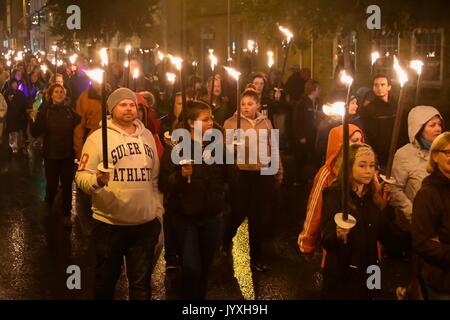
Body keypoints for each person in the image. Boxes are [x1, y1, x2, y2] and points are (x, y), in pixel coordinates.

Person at [75, 88, 163, 300]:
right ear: (112, 109)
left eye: (132, 105)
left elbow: (154, 178)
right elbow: (81, 177)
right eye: (123, 104)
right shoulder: (98, 137)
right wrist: (96, 180)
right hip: (109, 225)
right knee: (105, 283)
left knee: (141, 286)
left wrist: (157, 211)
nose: (129, 109)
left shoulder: (148, 137)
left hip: (144, 225)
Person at [159, 100, 233, 299]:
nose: (211, 123)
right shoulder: (177, 146)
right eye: (206, 119)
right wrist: (181, 175)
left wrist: (233, 154)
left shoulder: (217, 144)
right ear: (191, 123)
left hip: (212, 216)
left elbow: (228, 177)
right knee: (192, 268)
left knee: (205, 269)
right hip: (186, 216)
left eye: (211, 118)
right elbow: (164, 184)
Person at [222, 85, 283, 272]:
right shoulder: (231, 123)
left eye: (250, 104)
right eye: (243, 104)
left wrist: (278, 170)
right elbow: (224, 150)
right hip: (242, 173)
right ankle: (226, 241)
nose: (246, 107)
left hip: (262, 173)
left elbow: (273, 147)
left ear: (257, 105)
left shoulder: (266, 123)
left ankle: (256, 257)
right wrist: (233, 146)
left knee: (258, 217)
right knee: (239, 212)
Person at [321, 144, 390, 299]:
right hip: (343, 271)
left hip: (372, 268)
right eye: (362, 165)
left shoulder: (374, 195)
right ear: (349, 166)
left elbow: (385, 235)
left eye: (372, 165)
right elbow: (327, 240)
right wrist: (339, 234)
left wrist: (386, 208)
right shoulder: (335, 194)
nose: (369, 171)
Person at [298, 124, 364, 259]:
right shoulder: (328, 174)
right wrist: (307, 243)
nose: (359, 145)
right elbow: (315, 211)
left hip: (364, 243)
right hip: (338, 243)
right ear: (340, 144)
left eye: (360, 140)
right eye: (354, 141)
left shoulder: (367, 170)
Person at [29, 84, 80, 226]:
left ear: (65, 95)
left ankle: (66, 213)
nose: (59, 94)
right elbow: (35, 132)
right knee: (51, 185)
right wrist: (33, 119)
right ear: (51, 95)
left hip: (67, 155)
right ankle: (48, 204)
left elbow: (81, 125)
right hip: (51, 155)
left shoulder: (70, 111)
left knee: (67, 186)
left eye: (61, 92)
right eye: (56, 92)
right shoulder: (45, 111)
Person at [390, 106, 443, 239]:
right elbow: (394, 189)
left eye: (439, 124)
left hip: (441, 221)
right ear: (419, 128)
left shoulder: (444, 151)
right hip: (415, 224)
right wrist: (413, 213)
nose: (438, 129)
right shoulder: (404, 155)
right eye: (432, 125)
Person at [412, 131, 450, 299]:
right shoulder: (428, 193)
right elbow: (421, 241)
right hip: (440, 280)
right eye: (448, 152)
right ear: (435, 156)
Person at [361, 74, 404, 169]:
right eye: (376, 85)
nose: (379, 88)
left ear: (389, 87)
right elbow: (369, 134)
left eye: (382, 84)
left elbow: (403, 130)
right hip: (380, 156)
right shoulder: (369, 109)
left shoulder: (398, 105)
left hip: (398, 153)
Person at [315, 94, 364, 165]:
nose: (356, 106)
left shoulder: (357, 121)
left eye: (356, 103)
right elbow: (319, 147)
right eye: (352, 103)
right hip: (334, 163)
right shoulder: (327, 123)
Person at [291, 79, 320, 184]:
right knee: (300, 159)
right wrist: (300, 136)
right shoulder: (302, 103)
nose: (319, 91)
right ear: (314, 89)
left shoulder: (315, 103)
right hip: (303, 137)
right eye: (318, 89)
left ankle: (308, 178)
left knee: (310, 159)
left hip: (312, 136)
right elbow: (296, 121)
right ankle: (298, 180)